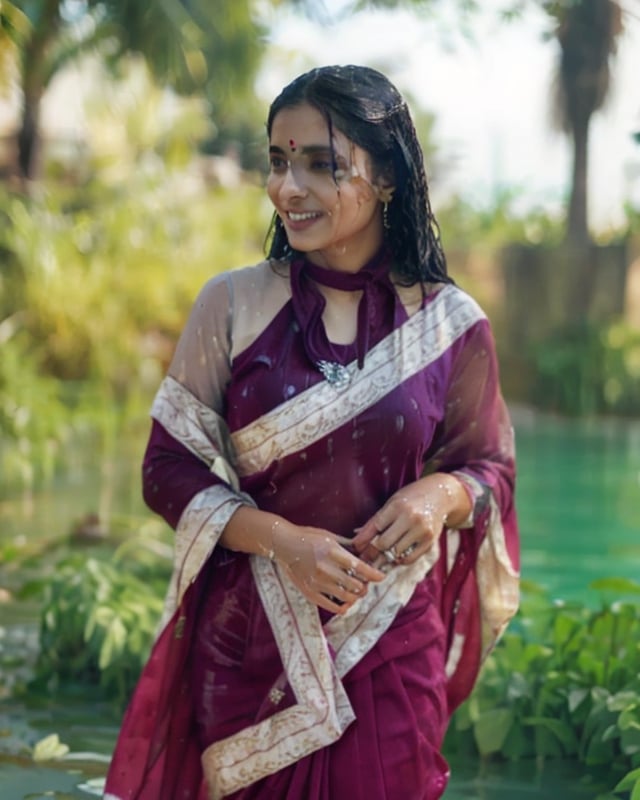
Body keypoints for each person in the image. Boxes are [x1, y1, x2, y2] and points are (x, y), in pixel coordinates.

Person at [103, 64, 519, 800]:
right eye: (277, 160)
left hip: (391, 644)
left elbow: (489, 467)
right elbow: (167, 470)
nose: (287, 188)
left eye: (321, 165)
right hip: (248, 648)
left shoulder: (451, 327)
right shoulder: (230, 305)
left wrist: (438, 493)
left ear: (385, 176)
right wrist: (283, 541)